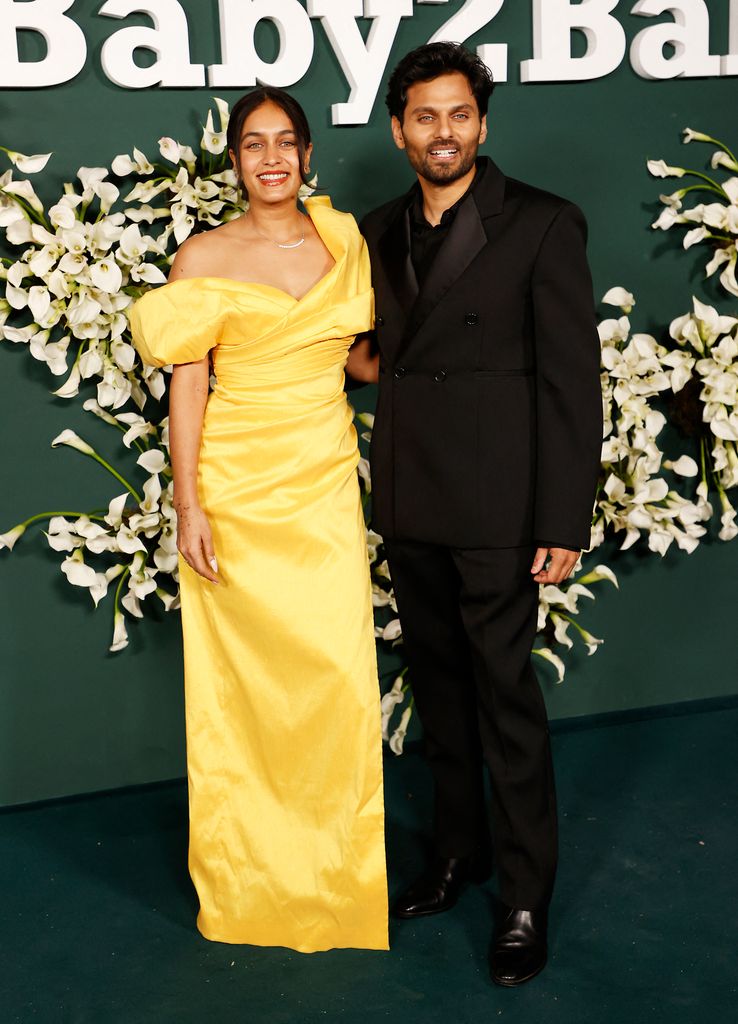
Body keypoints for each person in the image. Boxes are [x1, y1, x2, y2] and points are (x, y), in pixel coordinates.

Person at [359, 43, 602, 985]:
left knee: (506, 701)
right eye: (425, 116)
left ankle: (526, 894)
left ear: (484, 124)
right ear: (398, 130)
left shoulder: (542, 224)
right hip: (413, 499)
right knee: (442, 694)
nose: (443, 132)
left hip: (502, 506)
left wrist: (564, 519)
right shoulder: (378, 228)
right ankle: (457, 857)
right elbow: (376, 355)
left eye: (459, 114)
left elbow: (571, 385)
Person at [129, 87, 388, 953]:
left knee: (337, 682)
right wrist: (189, 506)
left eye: (285, 141)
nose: (271, 156)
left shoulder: (344, 240)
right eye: (252, 143)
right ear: (235, 160)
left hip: (321, 481)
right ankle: (249, 886)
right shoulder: (201, 257)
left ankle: (336, 878)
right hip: (238, 490)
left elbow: (356, 360)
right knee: (241, 695)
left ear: (308, 154)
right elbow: (188, 386)